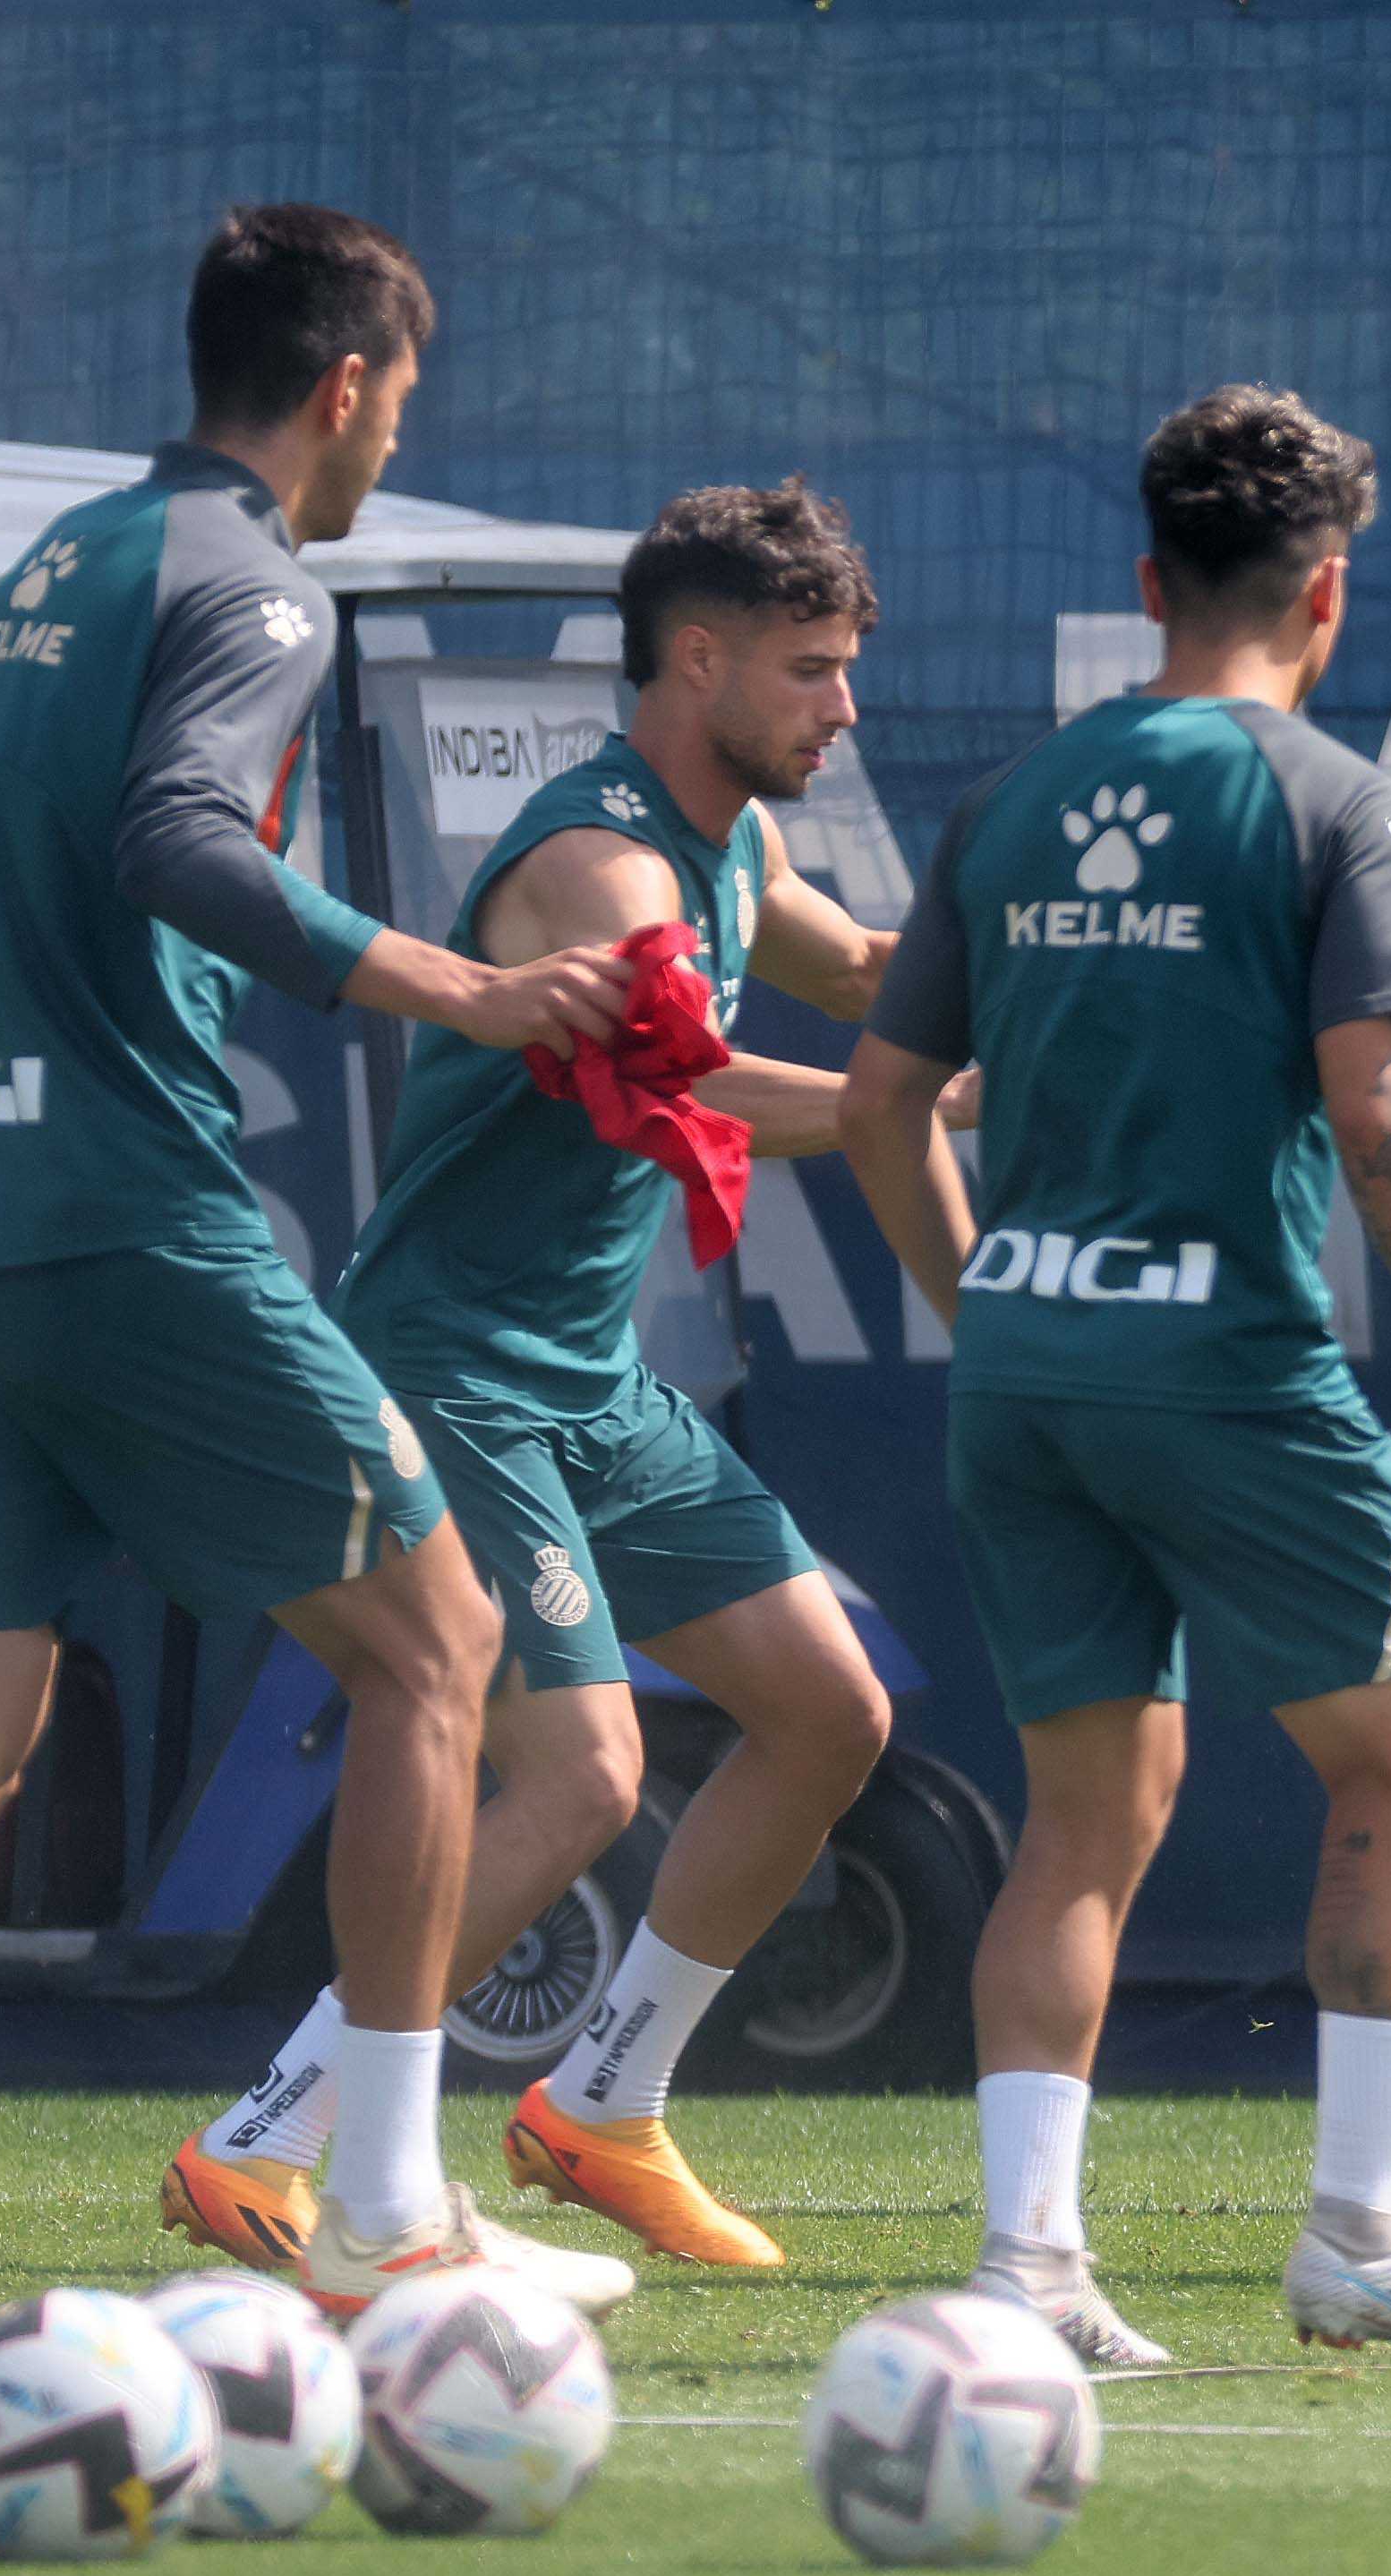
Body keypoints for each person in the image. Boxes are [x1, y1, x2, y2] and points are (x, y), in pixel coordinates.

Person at [0, 204, 639, 2334]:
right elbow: (179, 838)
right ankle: (383, 2207)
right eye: (404, 397)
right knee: (438, 1645)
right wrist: (467, 988)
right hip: (113, 1211)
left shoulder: (59, 562)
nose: (398, 434)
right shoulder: (255, 580)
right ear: (348, 385)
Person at [839, 384, 1391, 2370]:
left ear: (1149, 581)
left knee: (1088, 1810)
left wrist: (994, 1301)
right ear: (1327, 596)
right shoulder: (1346, 805)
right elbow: (1383, 1106)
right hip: (1228, 1369)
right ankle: (1366, 2231)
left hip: (1028, 1376)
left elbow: (884, 1103)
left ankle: (1027, 2268)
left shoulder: (1010, 802)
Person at [160, 481, 976, 2276]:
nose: (845, 709)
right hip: (451, 1373)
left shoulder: (733, 849)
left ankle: (601, 2105)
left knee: (830, 1714)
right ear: (698, 661)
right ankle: (267, 2138)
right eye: (812, 671)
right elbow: (698, 1089)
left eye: (847, 668)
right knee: (587, 1776)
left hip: (592, 1384)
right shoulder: (599, 867)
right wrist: (920, 1102)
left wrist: (1051, 992)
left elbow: (864, 969)